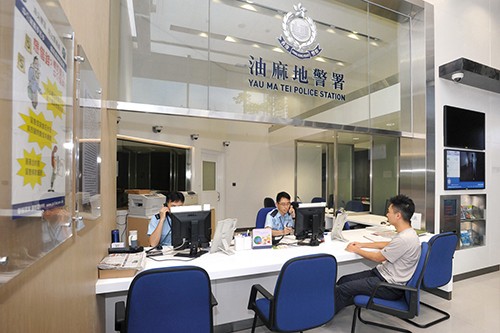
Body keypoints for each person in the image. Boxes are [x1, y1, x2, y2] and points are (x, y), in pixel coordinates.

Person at [334, 194, 421, 314]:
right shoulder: (407, 233)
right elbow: (388, 244)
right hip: (381, 275)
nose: (386, 214)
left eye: (389, 212)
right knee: (344, 279)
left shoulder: (404, 239)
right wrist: (362, 245)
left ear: (398, 215)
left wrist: (356, 250)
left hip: (389, 286)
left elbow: (377, 257)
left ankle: (324, 316)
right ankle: (335, 305)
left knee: (344, 289)